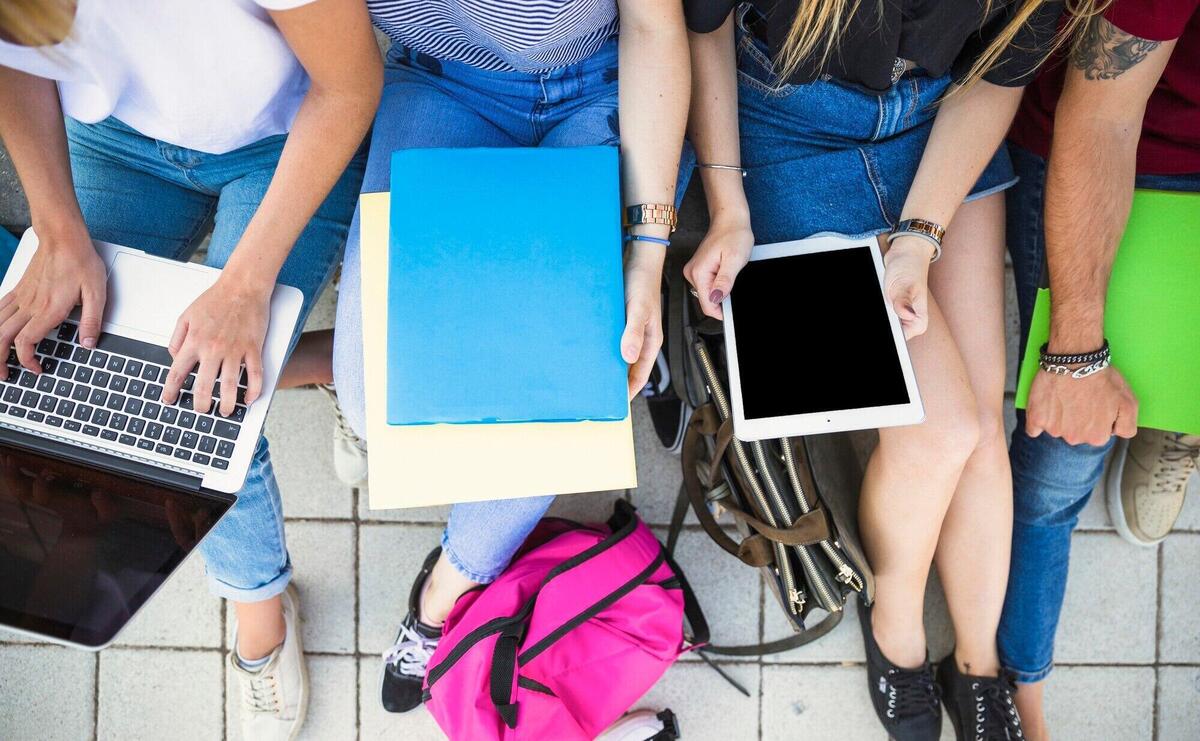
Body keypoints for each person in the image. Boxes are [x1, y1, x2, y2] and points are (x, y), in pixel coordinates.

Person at [682, 1, 1099, 738]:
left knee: (982, 441)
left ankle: (977, 664)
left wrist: (919, 236)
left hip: (942, 119)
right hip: (786, 123)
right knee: (945, 431)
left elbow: (1000, 71)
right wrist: (726, 199)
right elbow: (704, 22)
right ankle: (896, 628)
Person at [0, 1, 380, 738]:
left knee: (206, 407)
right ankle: (337, 363)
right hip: (115, 139)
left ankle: (260, 613)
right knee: (54, 375)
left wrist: (242, 287)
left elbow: (352, 85)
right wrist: (56, 228)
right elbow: (12, 55)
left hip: (283, 137)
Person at [329, 0, 690, 715]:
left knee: (562, 386)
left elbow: (655, 25)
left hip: (607, 82)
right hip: (435, 84)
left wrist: (649, 255)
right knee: (370, 391)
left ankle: (447, 588)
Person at [997, 1, 1200, 737]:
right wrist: (1077, 352)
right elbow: (1103, 114)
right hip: (1136, 151)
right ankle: (1023, 678)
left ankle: (1169, 420)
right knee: (1060, 461)